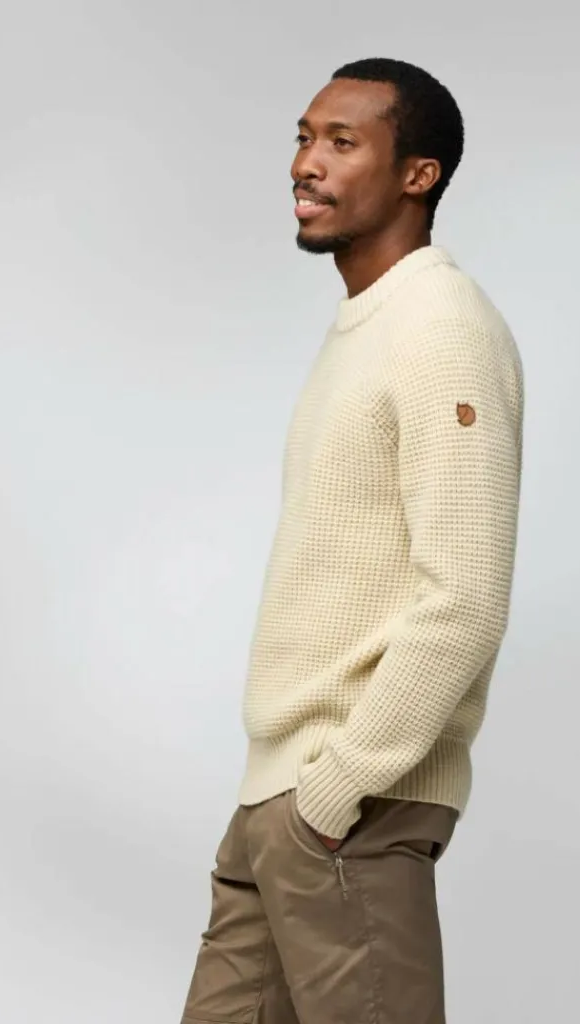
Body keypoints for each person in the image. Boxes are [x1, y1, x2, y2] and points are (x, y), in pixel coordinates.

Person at [181, 57, 524, 1024]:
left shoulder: (441, 328)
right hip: (277, 805)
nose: (307, 163)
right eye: (303, 138)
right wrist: (285, 803)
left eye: (342, 142)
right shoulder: (365, 329)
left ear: (418, 174)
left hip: (348, 812)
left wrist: (340, 789)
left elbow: (465, 598)